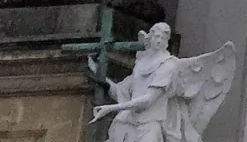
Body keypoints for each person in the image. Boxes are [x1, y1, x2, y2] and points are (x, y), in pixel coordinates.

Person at [89, 23, 237, 142]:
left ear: (167, 43)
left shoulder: (168, 65)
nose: (159, 40)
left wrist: (110, 108)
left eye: (163, 38)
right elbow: (121, 92)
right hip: (127, 124)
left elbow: (148, 100)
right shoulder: (141, 63)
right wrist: (99, 74)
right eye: (156, 36)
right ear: (150, 38)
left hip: (149, 126)